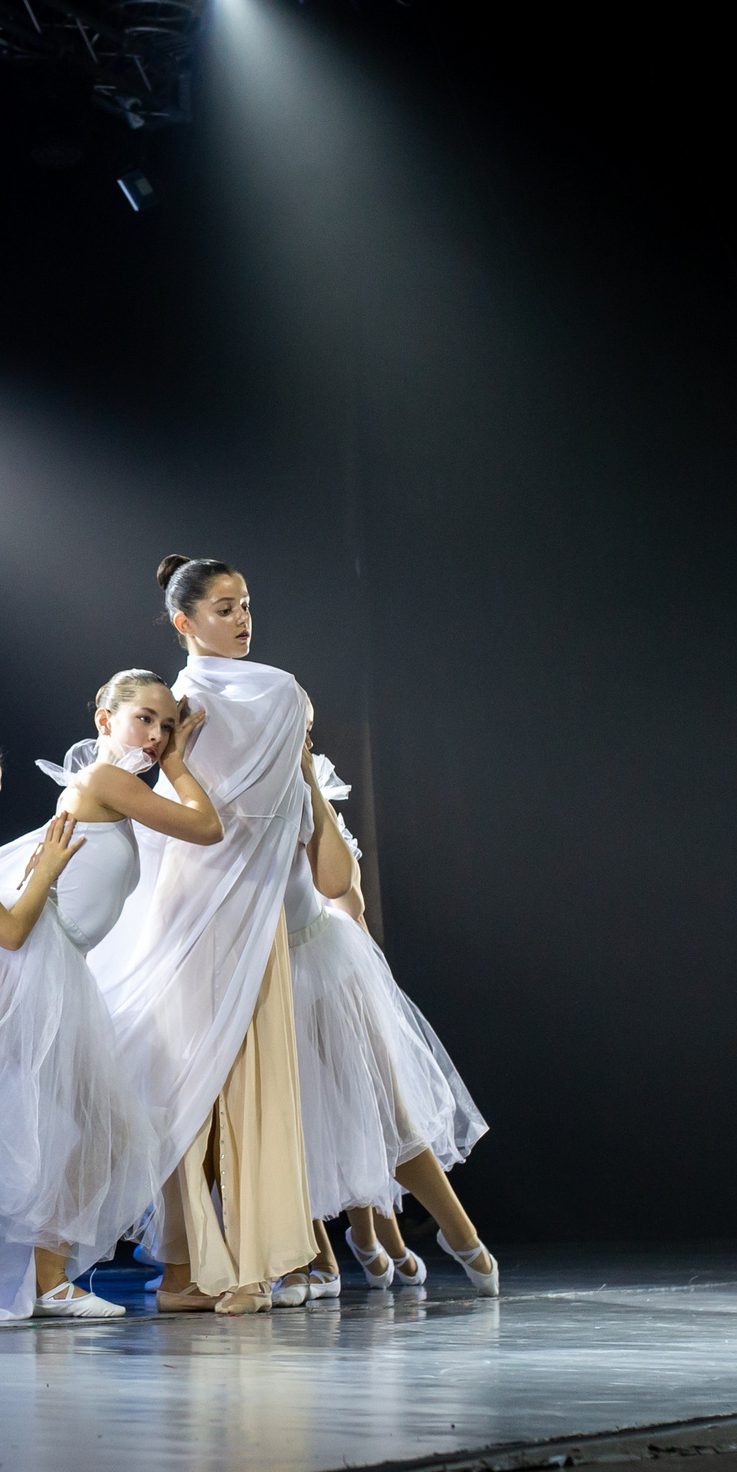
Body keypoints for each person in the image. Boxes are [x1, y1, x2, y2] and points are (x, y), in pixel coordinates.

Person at [0, 718, 183, 1321]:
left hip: (35, 973)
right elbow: (6, 932)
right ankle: (39, 1279)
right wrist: (44, 878)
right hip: (24, 971)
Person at [91, 556, 318, 1316]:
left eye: (246, 603)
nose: (243, 618)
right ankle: (188, 1264)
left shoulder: (279, 689)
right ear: (184, 622)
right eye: (224, 607)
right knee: (182, 1077)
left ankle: (253, 1262)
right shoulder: (173, 702)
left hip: (246, 898)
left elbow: (266, 809)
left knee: (248, 1074)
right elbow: (174, 808)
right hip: (189, 895)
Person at [284, 742, 498, 1294]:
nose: (301, 739)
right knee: (290, 1118)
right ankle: (320, 1253)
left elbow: (345, 898)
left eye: (307, 732)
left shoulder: (306, 791)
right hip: (258, 971)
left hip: (321, 959)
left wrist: (307, 778)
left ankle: (456, 1232)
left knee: (382, 1105)